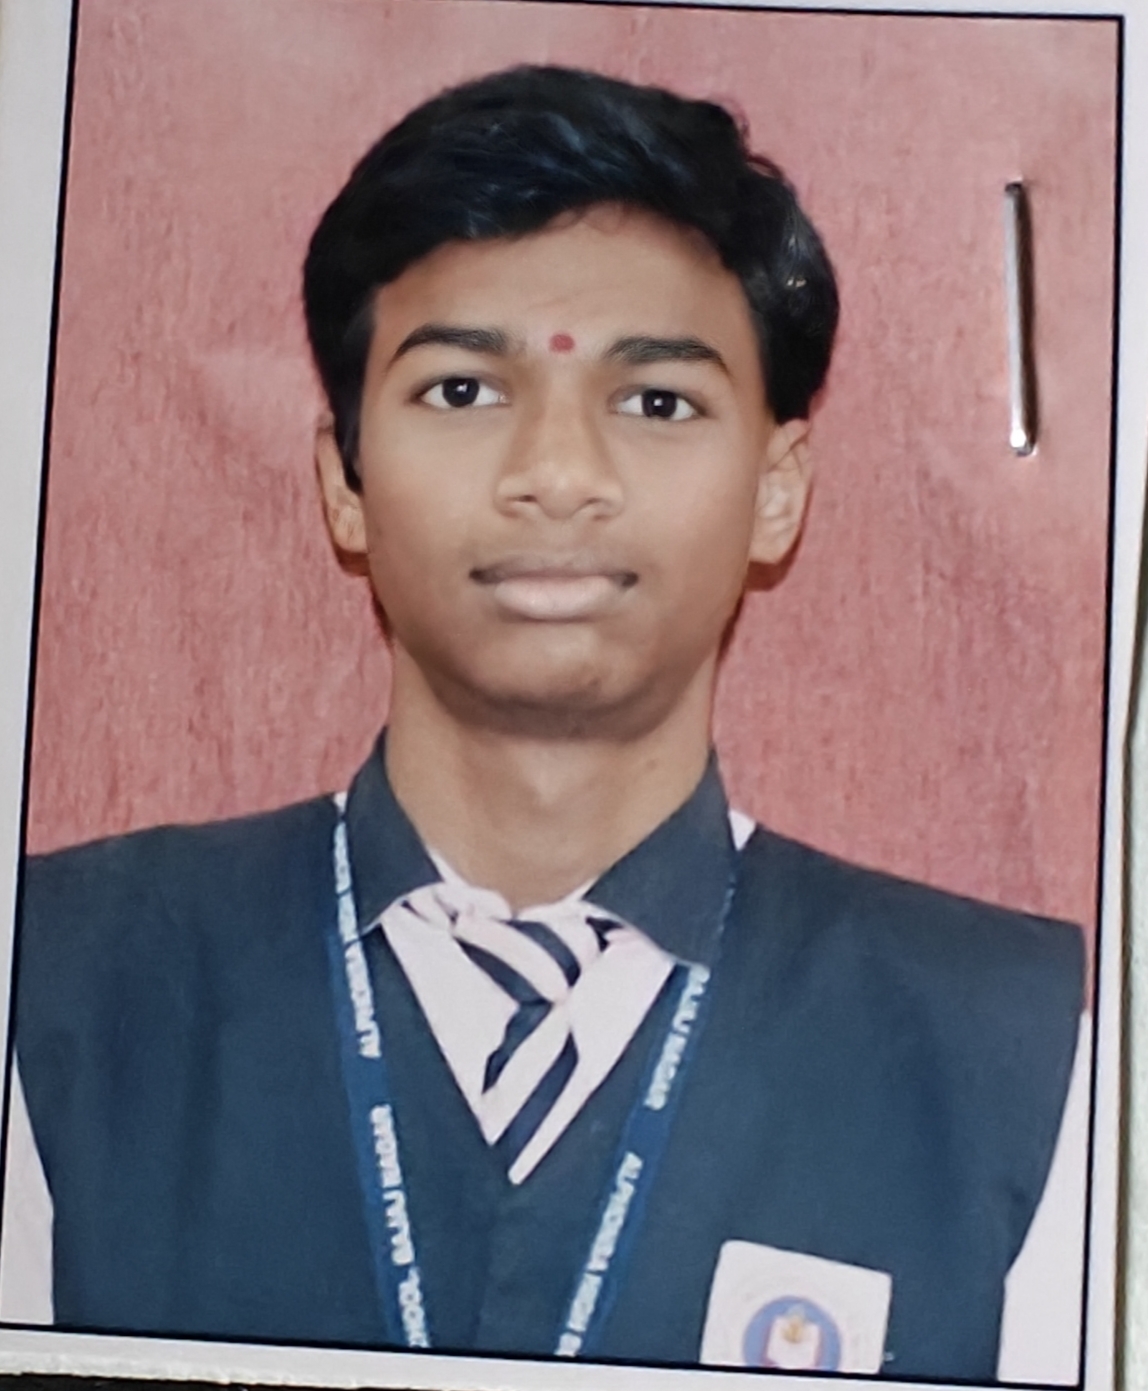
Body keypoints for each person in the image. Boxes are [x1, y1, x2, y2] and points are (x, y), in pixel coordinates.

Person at [5, 65, 1086, 1382]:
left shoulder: (1031, 1059)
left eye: (657, 402)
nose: (558, 476)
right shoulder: (57, 985)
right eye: (463, 391)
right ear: (344, 481)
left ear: (777, 492)